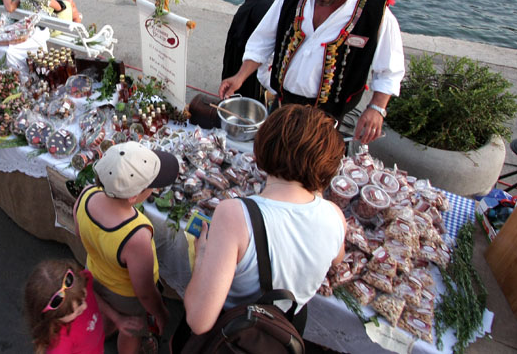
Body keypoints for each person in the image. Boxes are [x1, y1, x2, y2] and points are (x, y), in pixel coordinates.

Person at [180, 105, 346, 342]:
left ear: (261, 150)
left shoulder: (235, 215)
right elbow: (337, 259)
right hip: (285, 329)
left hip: (234, 335)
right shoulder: (335, 216)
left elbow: (198, 321)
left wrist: (203, 257)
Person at [218, 0, 404, 145]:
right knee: (270, 156)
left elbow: (389, 70)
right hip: (282, 103)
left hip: (327, 116)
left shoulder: (376, 13)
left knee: (307, 168)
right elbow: (263, 40)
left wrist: (376, 108)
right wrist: (240, 76)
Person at [73, 142, 177, 354]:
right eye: (151, 186)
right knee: (131, 330)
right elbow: (145, 291)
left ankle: (106, 330)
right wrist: (160, 312)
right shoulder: (136, 234)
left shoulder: (85, 194)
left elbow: (80, 235)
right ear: (133, 196)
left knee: (107, 317)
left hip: (95, 273)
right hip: (125, 295)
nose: (153, 189)